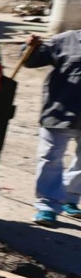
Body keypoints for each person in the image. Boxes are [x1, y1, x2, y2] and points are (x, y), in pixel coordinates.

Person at [22, 30, 81, 225]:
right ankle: (47, 205)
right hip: (60, 110)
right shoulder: (66, 40)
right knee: (50, 158)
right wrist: (30, 47)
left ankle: (70, 198)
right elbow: (31, 60)